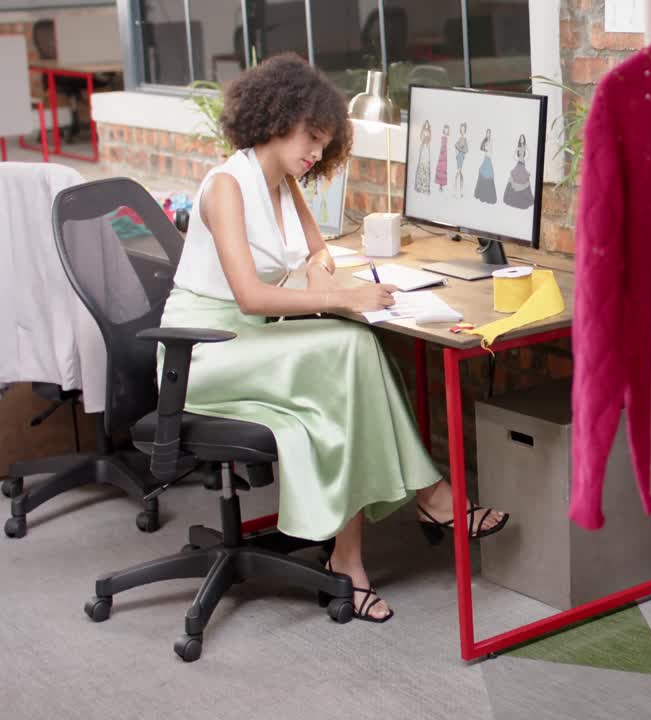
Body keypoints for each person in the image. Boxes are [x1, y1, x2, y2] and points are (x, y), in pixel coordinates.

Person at [161, 53, 509, 623]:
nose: (317, 155)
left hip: (252, 339)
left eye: (324, 144)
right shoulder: (228, 186)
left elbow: (316, 251)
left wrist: (330, 275)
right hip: (203, 349)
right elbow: (249, 296)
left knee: (349, 373)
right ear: (277, 120)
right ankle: (432, 498)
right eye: (311, 139)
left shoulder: (283, 185)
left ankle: (353, 558)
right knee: (350, 346)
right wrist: (342, 297)